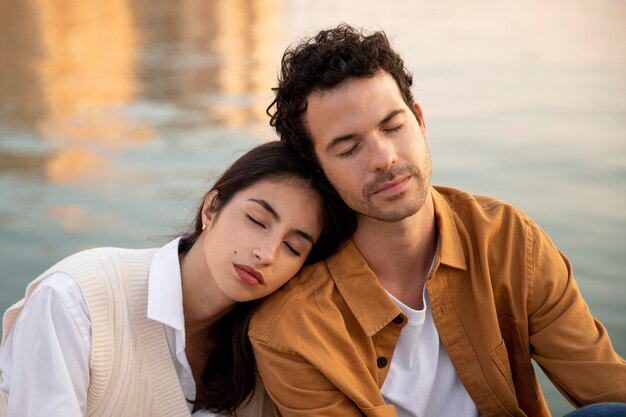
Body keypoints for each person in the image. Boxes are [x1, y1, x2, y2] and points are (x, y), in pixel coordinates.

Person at [248, 24, 626, 417]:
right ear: (318, 169)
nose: (384, 158)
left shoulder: (510, 241)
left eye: (393, 126)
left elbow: (605, 385)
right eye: (348, 148)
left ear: (420, 121)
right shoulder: (292, 325)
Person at [0, 140, 356, 417]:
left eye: (293, 247)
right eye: (257, 221)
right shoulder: (75, 301)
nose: (267, 253)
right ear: (211, 207)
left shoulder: (268, 356)